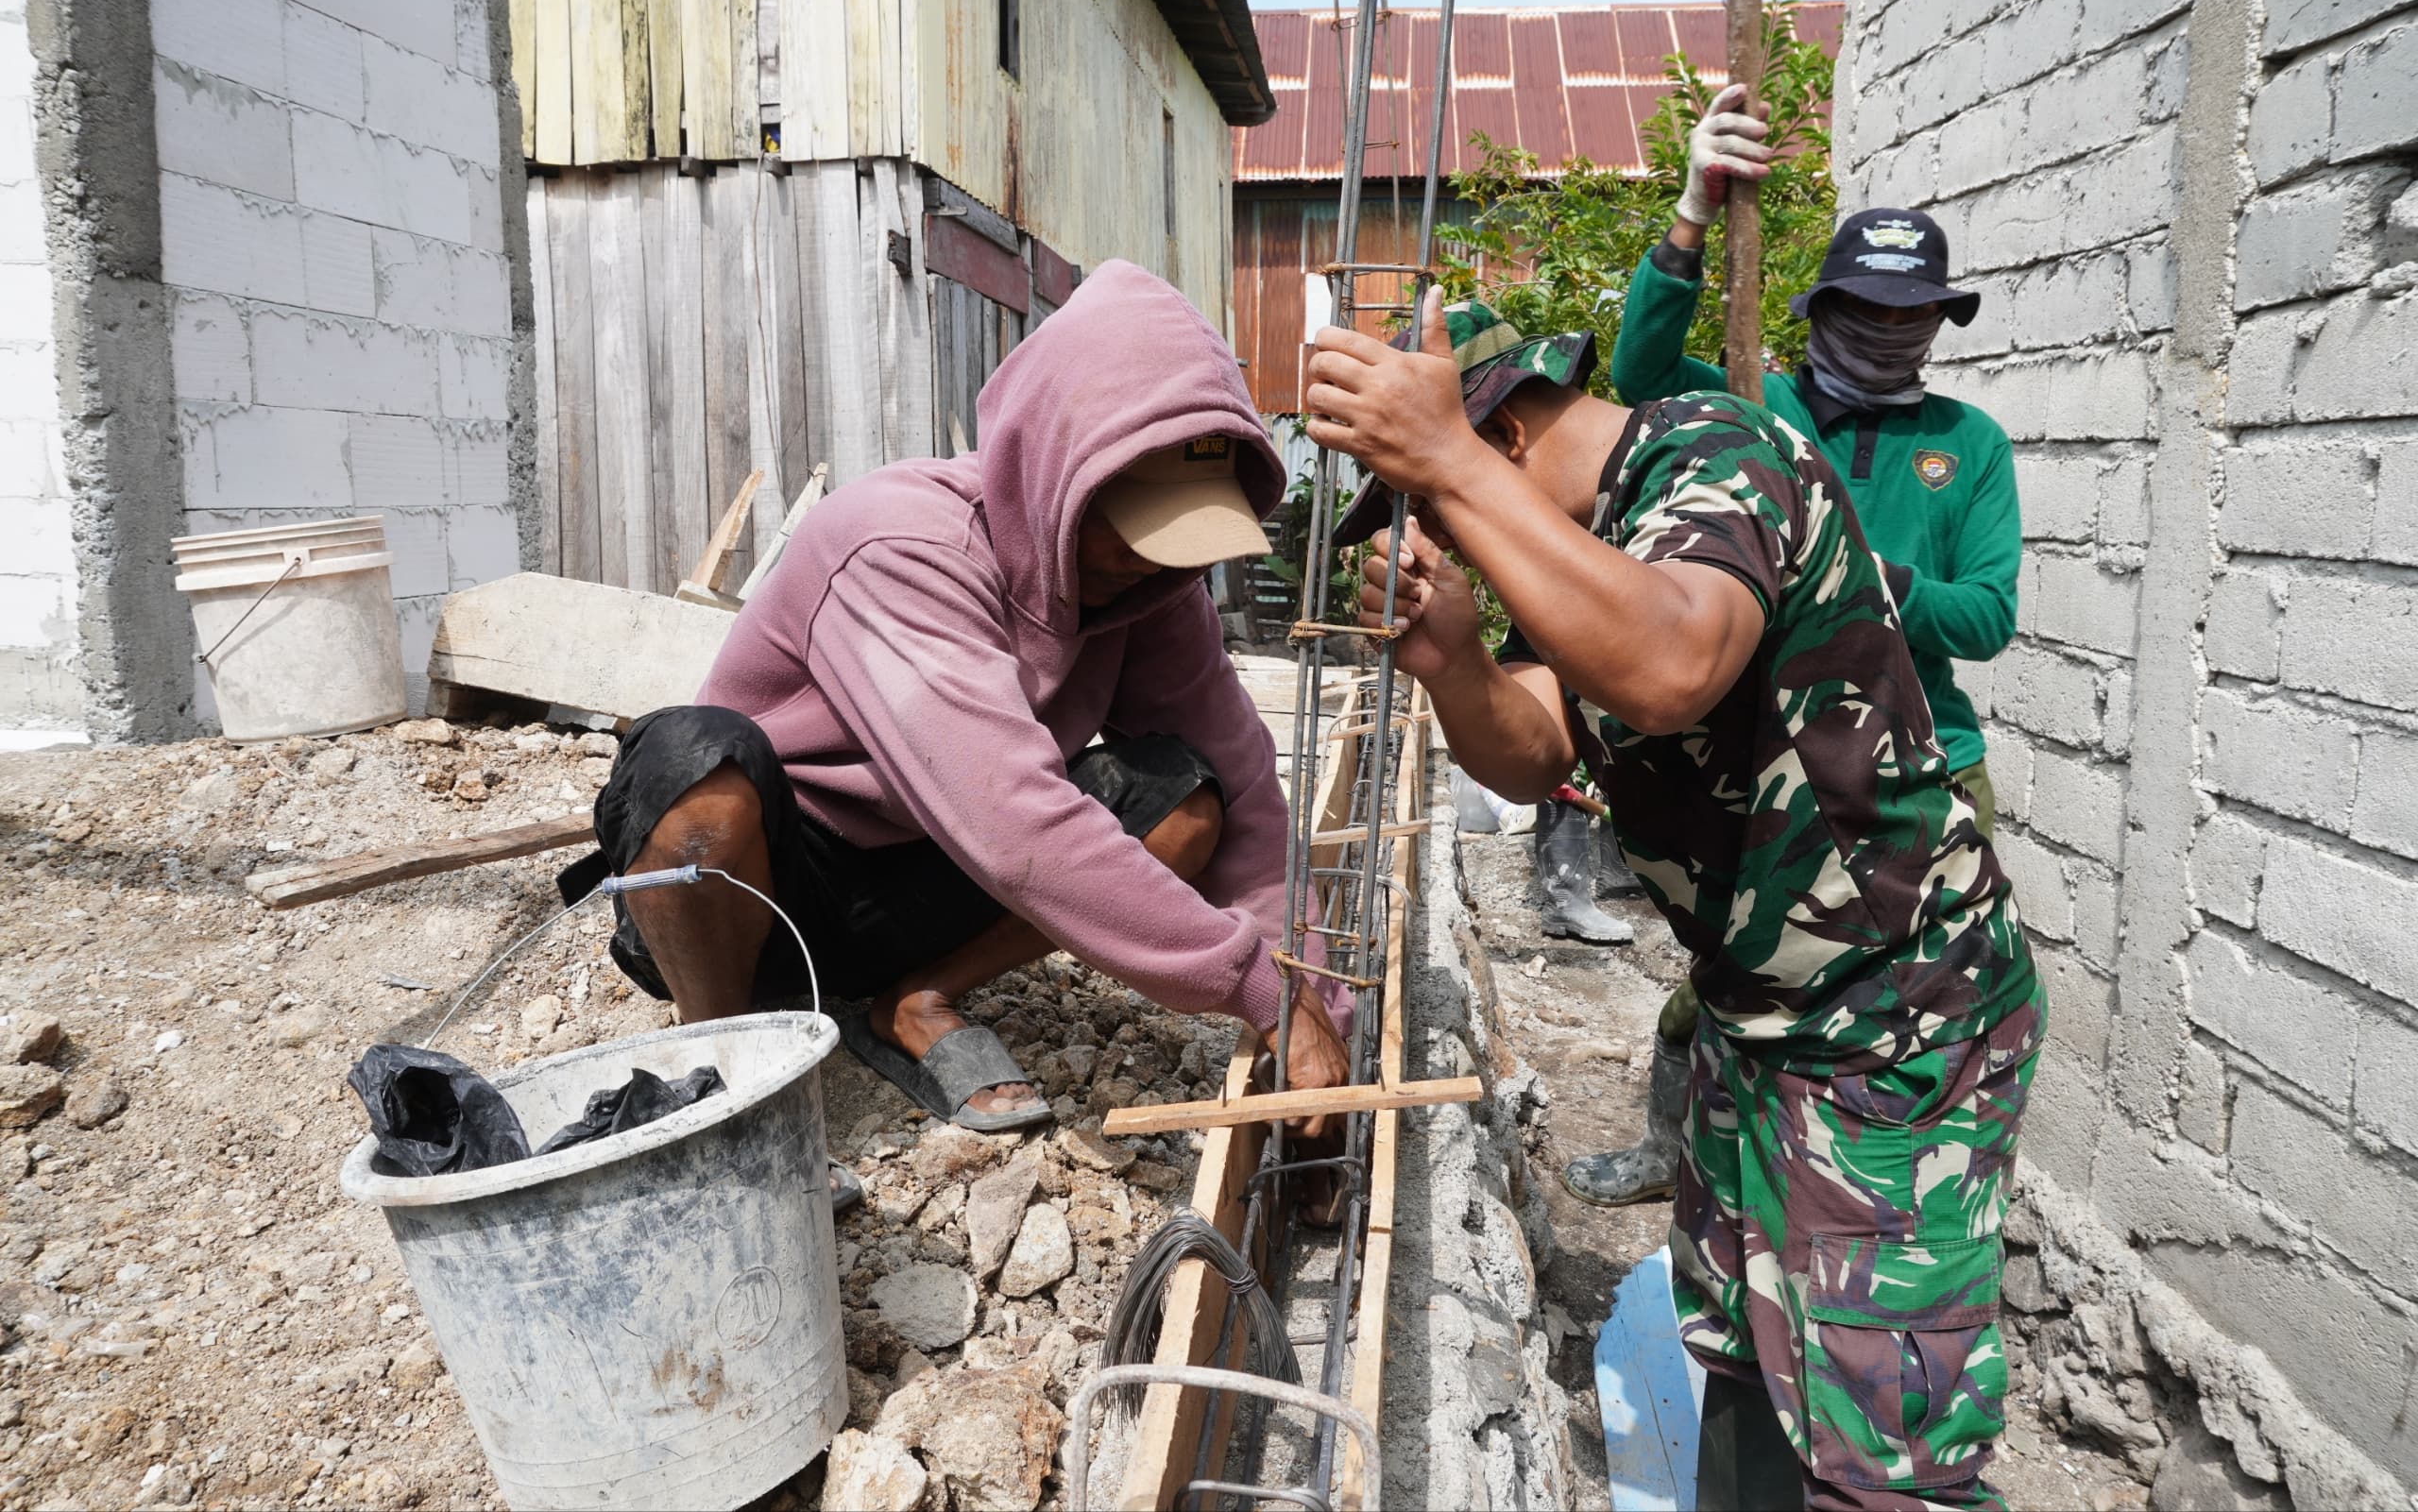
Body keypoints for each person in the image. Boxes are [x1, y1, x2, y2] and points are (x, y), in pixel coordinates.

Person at [1304, 291, 2041, 1510]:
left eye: (1437, 498)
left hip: (1894, 1031)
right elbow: (1539, 745)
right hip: (1763, 1022)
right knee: (1749, 1352)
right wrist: (1453, 661)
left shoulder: (1717, 452)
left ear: (1504, 435)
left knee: (1884, 1453)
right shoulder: (1614, 544)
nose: (1446, 530)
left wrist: (1439, 463)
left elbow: (1668, 664)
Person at [560, 261, 1351, 1152]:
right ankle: (730, 1065)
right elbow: (1018, 828)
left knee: (1187, 793)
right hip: (773, 891)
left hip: (928, 879)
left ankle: (917, 997)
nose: (1157, 565)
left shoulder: (1151, 593)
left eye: (1181, 540)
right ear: (1055, 473)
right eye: (1136, 529)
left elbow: (1246, 793)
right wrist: (1250, 986)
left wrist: (1310, 994)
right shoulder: (900, 547)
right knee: (696, 762)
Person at [1584, 84, 2023, 1208]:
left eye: (1907, 318)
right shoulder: (1756, 400)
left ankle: (1880, 1187)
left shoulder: (1966, 445)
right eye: (1863, 314)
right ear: (1820, 310)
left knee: (1910, 990)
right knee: (1732, 974)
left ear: (1936, 323)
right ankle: (1678, 1153)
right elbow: (1636, 381)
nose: (1885, 336)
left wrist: (1865, 582)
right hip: (1778, 749)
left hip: (1923, 758)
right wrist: (1690, 213)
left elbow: (1985, 617)